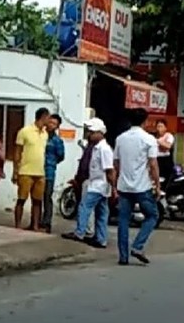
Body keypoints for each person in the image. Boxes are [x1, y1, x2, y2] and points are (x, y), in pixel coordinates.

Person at [114, 108, 160, 266]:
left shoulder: (121, 138)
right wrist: (158, 186)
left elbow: (116, 163)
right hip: (142, 186)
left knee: (123, 221)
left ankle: (123, 256)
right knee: (152, 216)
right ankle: (138, 246)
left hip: (124, 186)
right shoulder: (149, 139)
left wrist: (117, 182)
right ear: (145, 121)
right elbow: (153, 164)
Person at [62, 118, 115, 249]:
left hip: (99, 185)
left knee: (84, 207)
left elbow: (110, 170)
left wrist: (113, 188)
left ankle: (80, 232)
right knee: (101, 212)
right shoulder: (95, 148)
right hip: (97, 185)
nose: (89, 135)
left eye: (91, 132)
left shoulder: (104, 149)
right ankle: (101, 239)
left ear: (99, 133)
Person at [13, 107, 51, 231]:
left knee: (37, 201)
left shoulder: (45, 134)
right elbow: (17, 152)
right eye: (48, 117)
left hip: (40, 172)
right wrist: (15, 171)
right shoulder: (25, 131)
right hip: (25, 171)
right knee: (22, 199)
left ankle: (34, 225)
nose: (49, 120)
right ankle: (17, 225)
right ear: (43, 117)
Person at [39, 114, 65, 233]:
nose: (51, 125)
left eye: (54, 124)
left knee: (47, 197)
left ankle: (46, 222)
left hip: (49, 172)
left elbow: (61, 156)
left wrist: (51, 163)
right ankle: (36, 221)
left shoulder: (57, 141)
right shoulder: (40, 136)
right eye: (50, 122)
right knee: (37, 197)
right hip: (37, 170)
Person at [155, 120, 175, 187]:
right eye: (158, 126)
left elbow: (168, 146)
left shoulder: (169, 136)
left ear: (165, 128)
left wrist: (158, 141)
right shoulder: (154, 136)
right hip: (156, 160)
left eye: (161, 126)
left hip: (166, 161)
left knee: (165, 181)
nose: (159, 128)